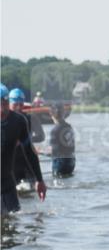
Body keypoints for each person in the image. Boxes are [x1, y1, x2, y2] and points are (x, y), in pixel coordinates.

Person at [1, 84, 47, 215]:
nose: (2, 109)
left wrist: (39, 180)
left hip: (7, 183)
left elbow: (30, 152)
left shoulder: (19, 121)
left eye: (4, 104)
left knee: (13, 222)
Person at [49, 103, 76, 177]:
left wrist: (37, 151)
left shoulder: (55, 130)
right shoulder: (69, 127)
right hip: (71, 161)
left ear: (51, 114)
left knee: (58, 182)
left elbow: (53, 151)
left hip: (60, 163)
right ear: (64, 113)